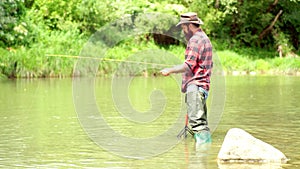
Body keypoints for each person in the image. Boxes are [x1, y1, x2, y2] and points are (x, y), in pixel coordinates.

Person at [160, 12, 213, 145]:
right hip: (202, 87)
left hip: (196, 87)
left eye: (183, 27)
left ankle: (202, 158)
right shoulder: (204, 38)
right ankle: (204, 156)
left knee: (198, 125)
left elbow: (188, 65)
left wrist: (169, 70)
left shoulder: (195, 40)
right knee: (200, 122)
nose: (183, 31)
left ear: (189, 26)